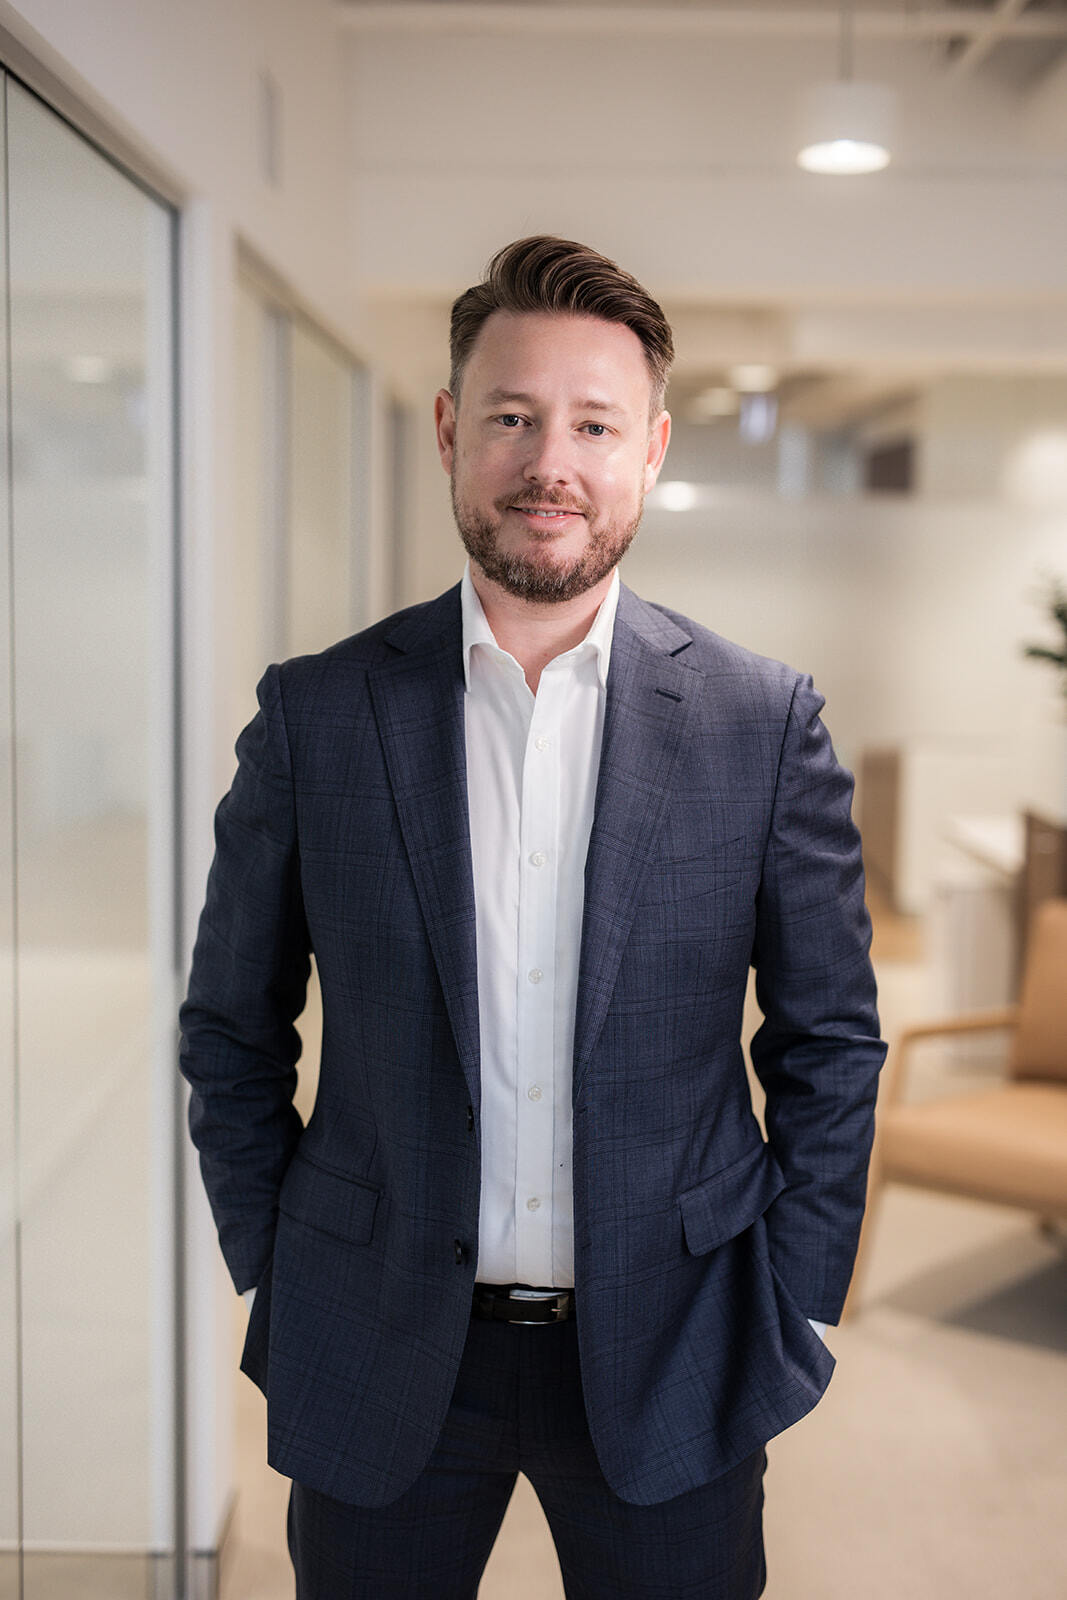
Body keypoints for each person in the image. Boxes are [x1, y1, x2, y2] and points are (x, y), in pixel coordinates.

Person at [180, 235, 885, 1599]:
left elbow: (829, 1042)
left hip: (676, 1337)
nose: (547, 461)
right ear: (451, 431)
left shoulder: (761, 722)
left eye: (592, 424)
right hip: (376, 1328)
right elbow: (230, 1025)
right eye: (510, 416)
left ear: (652, 449)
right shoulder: (320, 716)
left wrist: (790, 1287)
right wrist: (283, 1261)